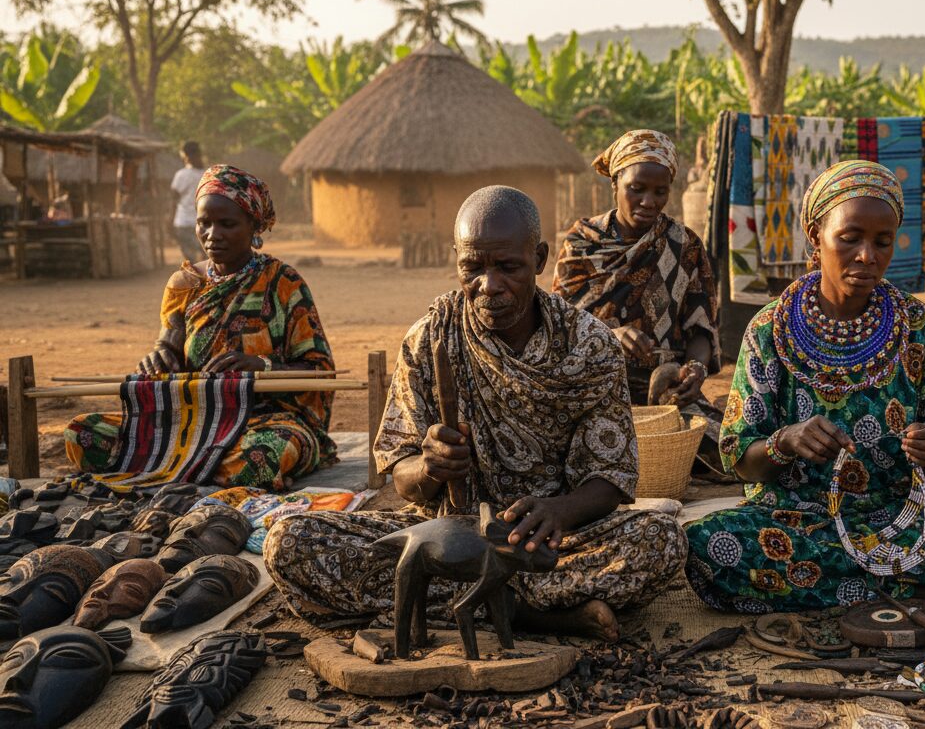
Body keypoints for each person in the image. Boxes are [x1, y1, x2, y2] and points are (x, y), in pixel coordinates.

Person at [265, 186, 687, 642]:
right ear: (457, 260)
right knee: (290, 540)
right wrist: (429, 467)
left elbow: (610, 478)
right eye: (473, 268)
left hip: (547, 542)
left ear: (539, 258)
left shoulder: (589, 345)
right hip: (444, 538)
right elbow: (400, 475)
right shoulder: (429, 339)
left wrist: (559, 510)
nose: (489, 285)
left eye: (508, 267)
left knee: (661, 539)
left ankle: (474, 605)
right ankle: (528, 613)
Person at [684, 161, 925, 616]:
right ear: (815, 236)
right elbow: (741, 460)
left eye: (882, 242)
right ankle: (924, 590)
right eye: (850, 238)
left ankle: (854, 585)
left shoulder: (917, 325)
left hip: (908, 517)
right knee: (708, 547)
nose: (867, 256)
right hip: (800, 520)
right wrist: (786, 441)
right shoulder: (769, 330)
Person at [65, 165, 337, 490]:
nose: (212, 234)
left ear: (254, 225)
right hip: (192, 421)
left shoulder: (283, 283)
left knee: (262, 455)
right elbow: (170, 347)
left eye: (227, 224)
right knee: (83, 433)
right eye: (204, 223)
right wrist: (158, 360)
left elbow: (319, 371)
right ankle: (199, 466)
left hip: (266, 420)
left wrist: (261, 367)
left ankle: (174, 465)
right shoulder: (184, 284)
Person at [553, 129, 724, 475]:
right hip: (592, 388)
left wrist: (696, 371)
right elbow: (557, 326)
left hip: (664, 392)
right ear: (615, 183)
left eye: (660, 192)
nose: (649, 201)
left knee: (728, 451)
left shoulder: (684, 245)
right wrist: (610, 336)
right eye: (637, 189)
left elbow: (701, 329)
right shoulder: (581, 246)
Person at [170, 142, 206, 262]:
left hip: (183, 223)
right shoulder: (208, 174)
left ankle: (196, 279)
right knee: (206, 258)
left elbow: (173, 199)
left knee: (191, 262)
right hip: (204, 223)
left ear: (186, 156)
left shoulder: (181, 175)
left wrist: (170, 220)